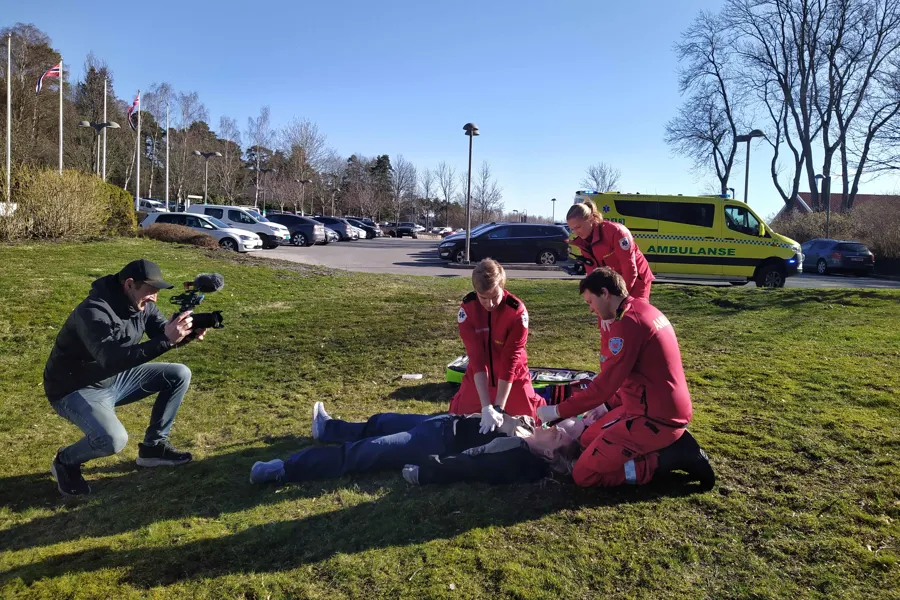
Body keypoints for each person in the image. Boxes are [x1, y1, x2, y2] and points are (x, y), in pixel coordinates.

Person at [535, 268, 714, 490]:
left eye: (591, 302)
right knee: (587, 439)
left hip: (654, 417)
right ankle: (661, 444)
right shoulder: (641, 309)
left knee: (583, 474)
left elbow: (605, 385)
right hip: (650, 406)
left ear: (605, 293)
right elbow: (633, 375)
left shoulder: (628, 324)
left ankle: (665, 458)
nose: (590, 309)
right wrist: (607, 406)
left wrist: (558, 411)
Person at [44, 259, 207, 496]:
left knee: (179, 373)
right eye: (150, 291)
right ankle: (65, 461)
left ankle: (153, 448)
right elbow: (110, 359)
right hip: (75, 388)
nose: (154, 298)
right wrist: (166, 340)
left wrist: (186, 334)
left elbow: (161, 334)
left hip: (114, 377)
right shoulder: (93, 311)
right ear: (129, 284)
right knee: (112, 440)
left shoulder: (142, 305)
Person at [249, 402, 576, 485]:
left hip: (433, 441)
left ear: (549, 452)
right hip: (444, 421)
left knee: (364, 453)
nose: (554, 429)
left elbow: (473, 464)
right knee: (381, 421)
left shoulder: (520, 455)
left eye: (558, 434)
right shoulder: (529, 427)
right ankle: (327, 428)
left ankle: (284, 470)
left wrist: (428, 471)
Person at [448, 258, 545, 432]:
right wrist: (486, 406)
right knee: (456, 419)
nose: (490, 304)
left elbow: (510, 361)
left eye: (494, 297)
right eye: (483, 298)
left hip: (513, 378)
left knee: (532, 424)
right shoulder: (468, 310)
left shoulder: (516, 312)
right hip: (479, 377)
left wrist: (498, 407)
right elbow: (476, 359)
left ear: (502, 286)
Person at [566, 199, 654, 301]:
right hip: (612, 281)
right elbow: (592, 273)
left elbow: (629, 268)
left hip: (636, 279)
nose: (576, 232)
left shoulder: (616, 232)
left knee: (631, 309)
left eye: (578, 227)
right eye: (572, 229)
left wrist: (621, 296)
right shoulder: (584, 242)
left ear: (591, 218)